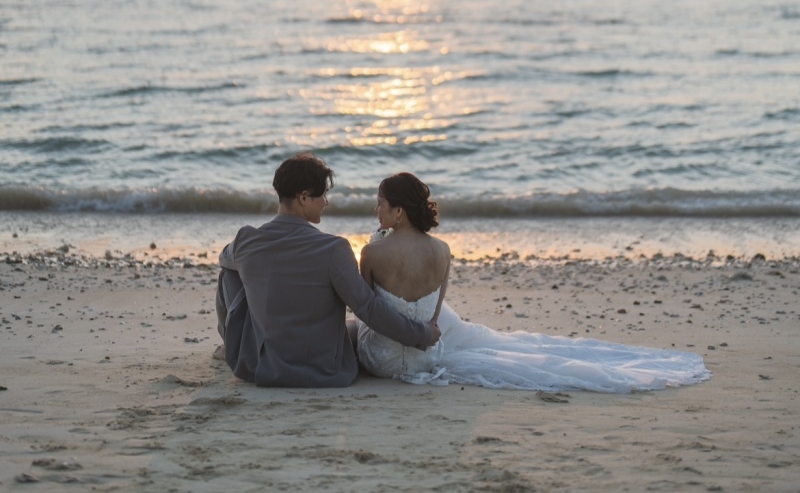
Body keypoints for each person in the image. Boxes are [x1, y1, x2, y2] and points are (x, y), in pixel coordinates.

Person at [357, 172, 712, 392]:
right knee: (442, 319)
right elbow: (432, 314)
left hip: (380, 362)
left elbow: (367, 309)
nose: (377, 212)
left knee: (363, 312)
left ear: (398, 212)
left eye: (380, 205)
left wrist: (377, 245)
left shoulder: (372, 253)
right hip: (426, 359)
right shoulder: (444, 250)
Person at [216, 153, 440, 387]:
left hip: (261, 368)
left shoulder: (246, 240)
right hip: (322, 370)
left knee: (228, 273)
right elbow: (368, 308)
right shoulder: (334, 249)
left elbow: (224, 259)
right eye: (322, 194)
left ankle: (229, 346)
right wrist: (421, 334)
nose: (326, 201)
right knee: (353, 325)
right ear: (304, 197)